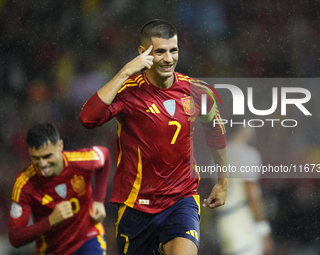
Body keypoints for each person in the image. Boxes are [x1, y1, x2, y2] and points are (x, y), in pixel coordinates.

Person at [79, 19, 228, 255]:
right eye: (160, 52)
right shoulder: (128, 92)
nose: (168, 59)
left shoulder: (198, 91)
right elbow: (87, 119)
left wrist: (223, 181)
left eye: (173, 50)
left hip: (181, 199)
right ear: (143, 52)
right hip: (135, 206)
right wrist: (125, 71)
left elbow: (216, 132)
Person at [8, 122, 112, 255]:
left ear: (60, 146)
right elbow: (15, 237)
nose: (42, 164)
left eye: (47, 156)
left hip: (88, 237)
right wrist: (50, 221)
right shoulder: (24, 183)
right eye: (35, 158)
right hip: (52, 250)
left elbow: (106, 156)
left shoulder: (81, 161)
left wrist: (99, 200)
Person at [214, 123, 274, 255]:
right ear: (243, 128)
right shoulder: (247, 153)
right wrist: (263, 230)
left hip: (224, 222)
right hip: (243, 223)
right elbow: (252, 193)